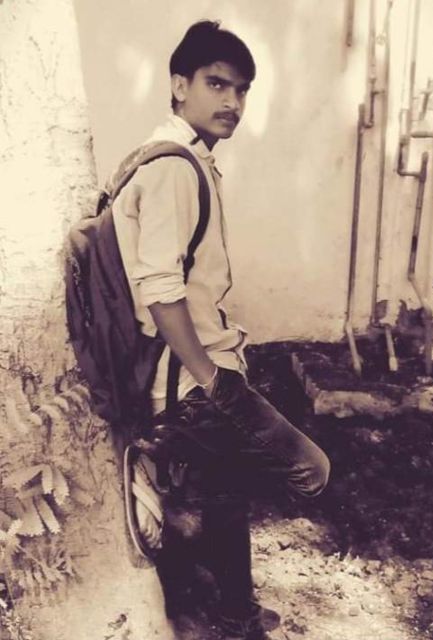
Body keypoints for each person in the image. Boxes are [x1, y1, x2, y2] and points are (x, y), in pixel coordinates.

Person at [111, 20, 330, 640]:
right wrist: (212, 379)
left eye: (242, 89)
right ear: (179, 85)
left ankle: (231, 614)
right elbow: (160, 289)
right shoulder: (174, 168)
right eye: (217, 84)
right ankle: (162, 464)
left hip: (189, 373)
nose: (232, 101)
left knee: (226, 492)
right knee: (309, 471)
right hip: (188, 382)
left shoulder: (175, 159)